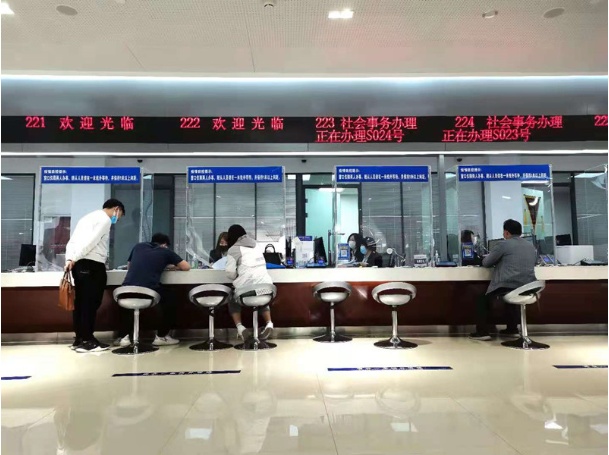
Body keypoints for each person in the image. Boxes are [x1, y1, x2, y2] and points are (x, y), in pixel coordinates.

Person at [65, 198, 125, 353]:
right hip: (92, 264)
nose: (117, 220)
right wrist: (75, 258)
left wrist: (70, 259)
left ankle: (80, 339)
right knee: (90, 303)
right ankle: (88, 341)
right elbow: (91, 242)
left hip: (79, 265)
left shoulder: (86, 218)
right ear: (116, 209)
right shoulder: (105, 219)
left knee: (81, 303)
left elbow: (72, 241)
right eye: (119, 216)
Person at [116, 233, 190, 346]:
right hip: (148, 292)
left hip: (125, 291)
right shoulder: (165, 251)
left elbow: (129, 266)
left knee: (128, 306)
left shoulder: (138, 247)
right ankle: (161, 336)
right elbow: (186, 267)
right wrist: (170, 266)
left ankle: (124, 337)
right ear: (165, 245)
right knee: (172, 298)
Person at [469, 219, 537, 341]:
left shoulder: (504, 244)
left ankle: (482, 332)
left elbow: (486, 262)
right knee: (511, 297)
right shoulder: (530, 246)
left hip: (508, 285)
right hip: (528, 287)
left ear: (506, 232)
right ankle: (512, 329)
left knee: (482, 299)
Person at [225, 224, 274, 341]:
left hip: (247, 293)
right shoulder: (256, 245)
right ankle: (269, 323)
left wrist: (238, 274)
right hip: (268, 290)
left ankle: (240, 328)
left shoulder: (233, 249)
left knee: (232, 297)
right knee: (260, 293)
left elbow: (230, 273)